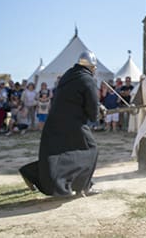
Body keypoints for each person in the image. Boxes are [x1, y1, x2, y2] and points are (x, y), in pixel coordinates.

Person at [19, 50, 101, 197]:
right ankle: (83, 187)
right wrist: (98, 111)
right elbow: (92, 112)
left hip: (54, 123)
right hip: (73, 124)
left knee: (59, 157)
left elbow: (72, 98)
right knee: (91, 149)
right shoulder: (88, 80)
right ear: (91, 67)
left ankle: (31, 172)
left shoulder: (68, 75)